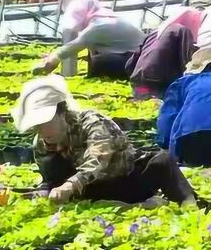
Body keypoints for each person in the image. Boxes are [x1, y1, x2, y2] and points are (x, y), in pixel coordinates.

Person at [11, 74, 197, 207]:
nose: (43, 131)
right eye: (37, 127)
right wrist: (42, 192)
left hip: (129, 180)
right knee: (54, 165)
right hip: (93, 190)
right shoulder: (42, 143)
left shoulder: (92, 122)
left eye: (46, 123)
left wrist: (70, 185)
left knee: (161, 161)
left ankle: (187, 202)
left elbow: (98, 159)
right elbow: (49, 179)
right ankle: (138, 206)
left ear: (62, 113)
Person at [33, 0, 146, 80]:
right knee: (95, 55)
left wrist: (52, 60)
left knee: (99, 62)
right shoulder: (107, 17)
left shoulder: (99, 25)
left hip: (139, 61)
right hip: (138, 57)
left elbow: (74, 46)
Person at [125, 7, 204, 100]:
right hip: (158, 82)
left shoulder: (157, 31)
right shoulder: (182, 30)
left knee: (141, 107)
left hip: (139, 81)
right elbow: (186, 61)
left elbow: (132, 61)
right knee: (156, 109)